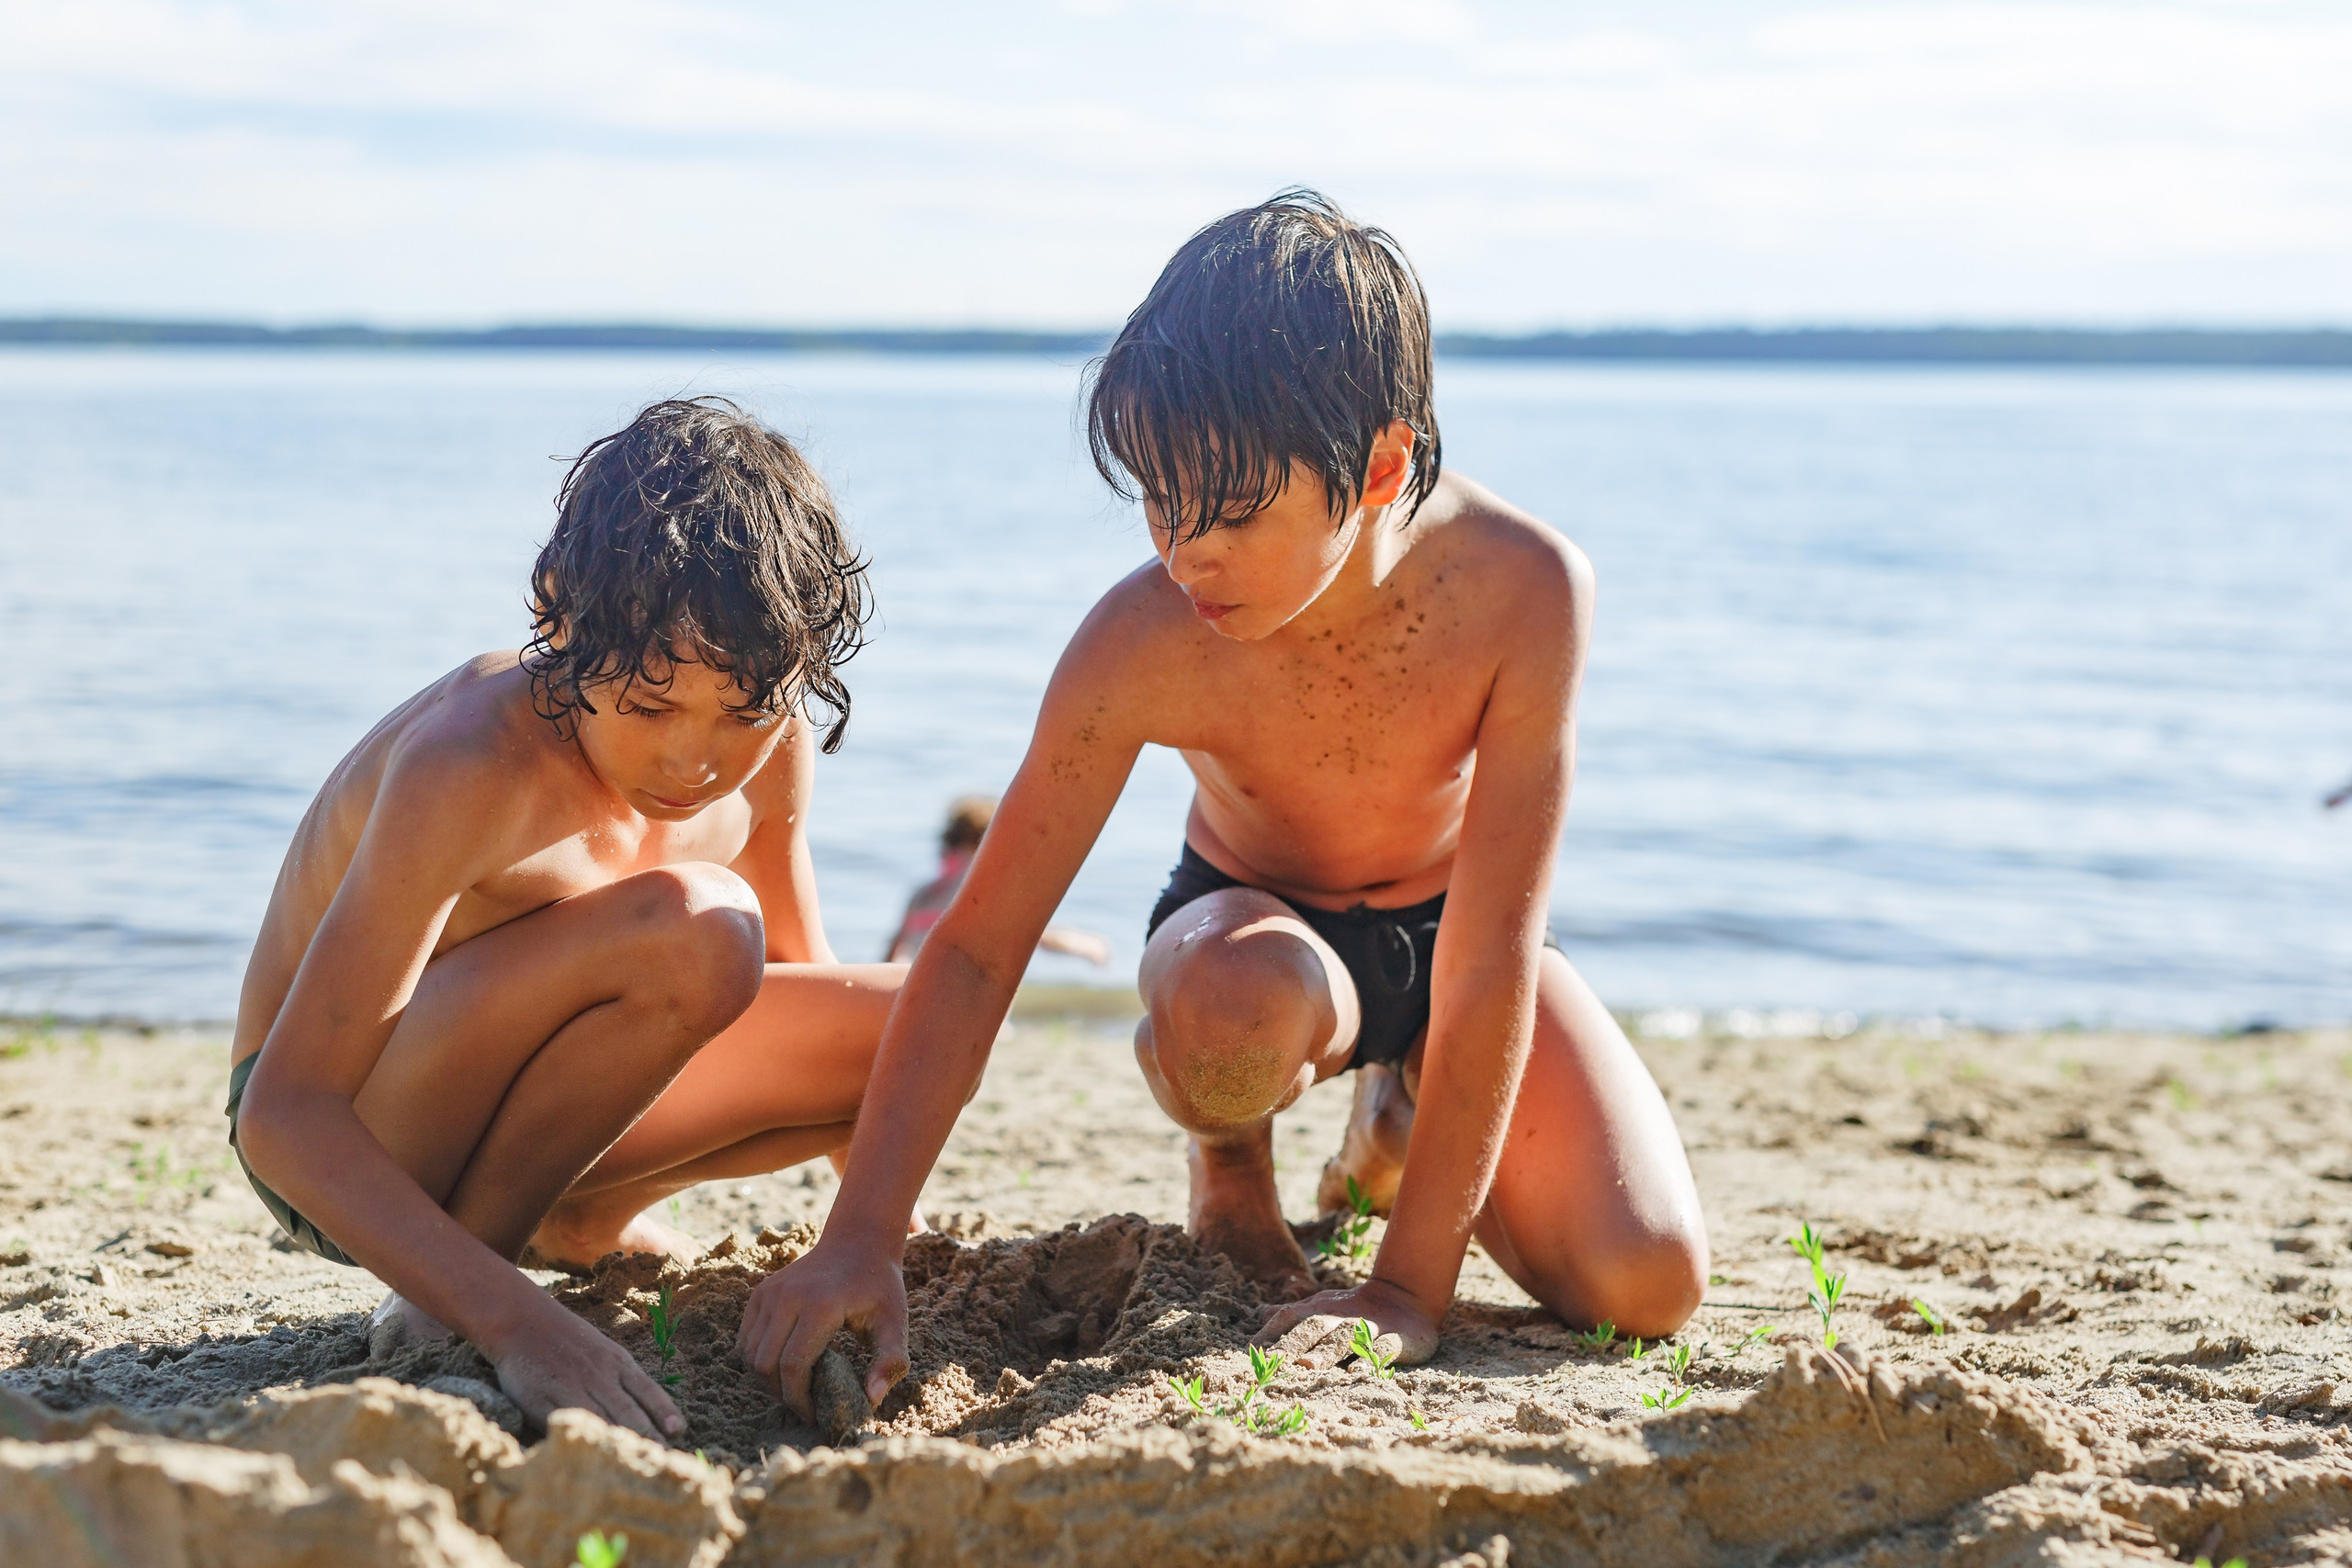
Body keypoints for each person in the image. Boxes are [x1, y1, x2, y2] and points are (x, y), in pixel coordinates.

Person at [740, 191, 1709, 1420]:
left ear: (1381, 467)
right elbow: (979, 949)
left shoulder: (1526, 589)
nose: (1184, 551)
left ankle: (1394, 1115)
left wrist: (1404, 1290)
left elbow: (1491, 960)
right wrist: (860, 1236)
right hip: (1251, 935)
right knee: (1233, 1014)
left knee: (1647, 1279)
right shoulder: (1141, 639)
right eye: (1159, 497)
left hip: (1456, 938)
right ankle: (1231, 1159)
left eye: (1233, 512)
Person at [229, 398, 905, 1440]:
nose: (695, 759)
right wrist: (515, 1324)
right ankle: (460, 1282)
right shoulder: (471, 763)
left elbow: (805, 990)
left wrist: (872, 1243)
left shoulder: (771, 750)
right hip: (350, 1142)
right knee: (702, 926)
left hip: (538, 1122)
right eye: (651, 706)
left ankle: (580, 1217)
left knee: (915, 1026)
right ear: (558, 619)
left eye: (744, 712)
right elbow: (284, 1116)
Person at [886, 795, 1113, 966]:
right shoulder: (987, 893)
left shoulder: (923, 895)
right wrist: (1089, 946)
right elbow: (1040, 937)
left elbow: (894, 950)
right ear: (991, 844)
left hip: (917, 989)